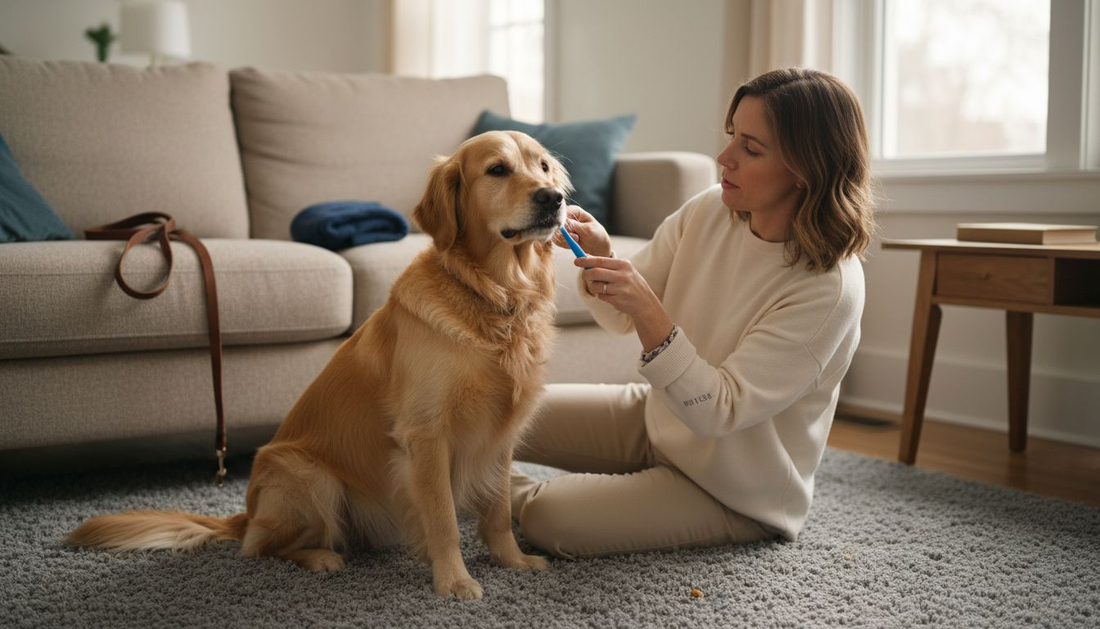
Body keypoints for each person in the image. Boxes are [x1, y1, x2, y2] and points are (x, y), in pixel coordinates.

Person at [510, 67, 875, 559]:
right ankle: (472, 477)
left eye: (751, 148)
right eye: (732, 137)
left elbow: (719, 411)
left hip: (734, 490)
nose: (723, 159)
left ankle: (483, 491)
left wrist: (645, 302)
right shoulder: (710, 210)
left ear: (805, 169)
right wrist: (602, 255)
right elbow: (621, 318)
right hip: (658, 419)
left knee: (547, 518)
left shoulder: (829, 289)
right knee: (499, 415)